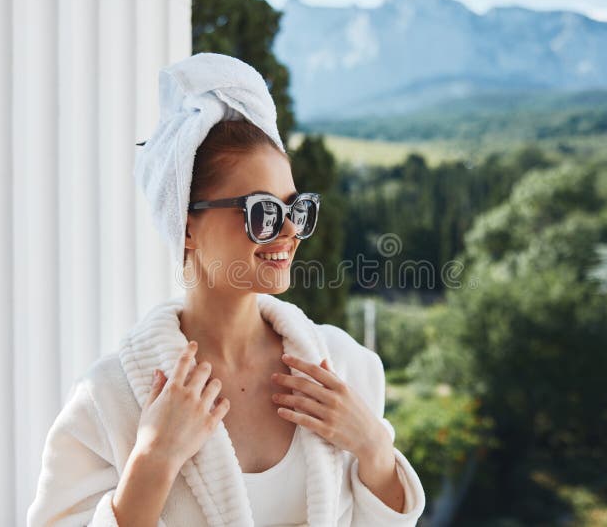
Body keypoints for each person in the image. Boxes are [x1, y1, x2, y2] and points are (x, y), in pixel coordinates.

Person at [26, 52, 426, 527]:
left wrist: (375, 451)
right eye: (261, 212)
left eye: (296, 209)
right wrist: (153, 460)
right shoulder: (110, 400)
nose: (288, 233)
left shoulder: (345, 369)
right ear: (186, 225)